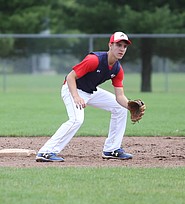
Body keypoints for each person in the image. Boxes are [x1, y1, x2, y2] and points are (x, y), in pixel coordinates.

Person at [36, 31, 142, 162]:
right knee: (76, 120)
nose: (122, 49)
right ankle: (46, 152)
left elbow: (119, 96)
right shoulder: (94, 60)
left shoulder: (117, 69)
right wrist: (75, 97)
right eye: (118, 45)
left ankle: (112, 149)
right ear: (110, 45)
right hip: (72, 89)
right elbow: (70, 77)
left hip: (91, 91)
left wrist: (129, 106)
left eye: (124, 46)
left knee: (120, 108)